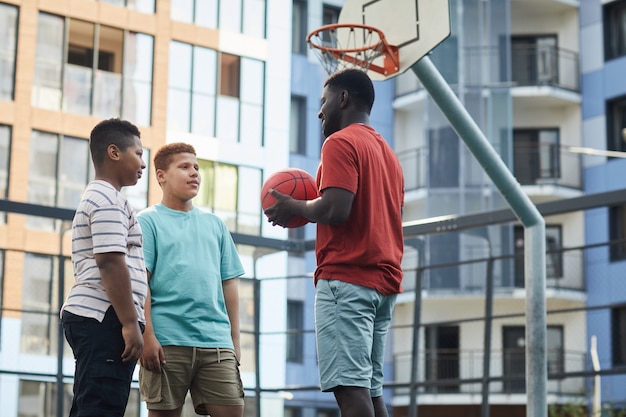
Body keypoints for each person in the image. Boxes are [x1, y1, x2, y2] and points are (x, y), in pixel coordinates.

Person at [264, 68, 405, 417]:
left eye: (324, 101)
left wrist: (291, 206)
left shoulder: (340, 142)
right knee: (371, 391)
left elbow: (335, 209)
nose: (319, 111)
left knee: (349, 389)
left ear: (343, 99)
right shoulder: (389, 155)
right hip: (383, 285)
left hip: (347, 281)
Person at [137, 142, 245, 417]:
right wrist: (147, 336)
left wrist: (235, 340)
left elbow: (229, 283)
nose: (194, 173)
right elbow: (140, 283)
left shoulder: (215, 225)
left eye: (196, 167)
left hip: (217, 342)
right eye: (184, 167)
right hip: (166, 341)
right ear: (160, 175)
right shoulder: (147, 221)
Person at [60, 118, 148, 417]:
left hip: (102, 316)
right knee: (101, 407)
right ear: (114, 152)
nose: (143, 163)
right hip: (106, 316)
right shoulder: (106, 199)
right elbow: (110, 261)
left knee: (92, 404)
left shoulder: (106, 197)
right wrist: (128, 323)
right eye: (138, 153)